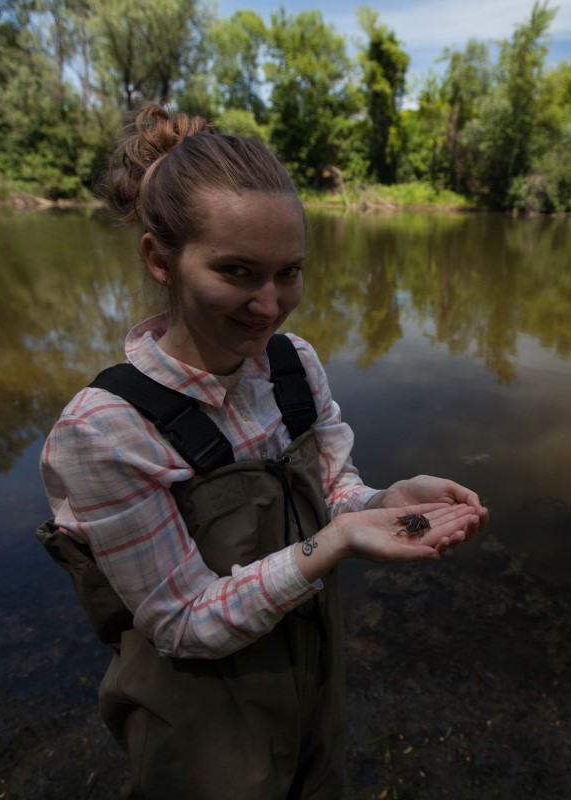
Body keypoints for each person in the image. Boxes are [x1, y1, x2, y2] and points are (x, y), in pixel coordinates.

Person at [36, 104, 488, 799]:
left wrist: (381, 502)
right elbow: (182, 622)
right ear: (160, 259)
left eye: (290, 272)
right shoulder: (104, 432)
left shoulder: (293, 366)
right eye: (239, 272)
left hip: (312, 681)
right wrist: (333, 545)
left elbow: (333, 492)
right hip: (203, 722)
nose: (270, 304)